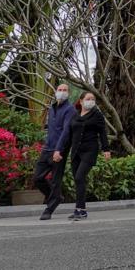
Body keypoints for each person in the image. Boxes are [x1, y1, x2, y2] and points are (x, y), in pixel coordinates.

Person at [54, 92, 111, 221]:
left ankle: (81, 210)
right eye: (88, 99)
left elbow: (102, 133)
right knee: (78, 180)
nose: (91, 101)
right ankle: (80, 209)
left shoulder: (97, 115)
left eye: (93, 99)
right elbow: (69, 135)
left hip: (90, 151)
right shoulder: (75, 115)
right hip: (76, 152)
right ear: (81, 101)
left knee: (80, 177)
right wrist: (60, 151)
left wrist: (106, 149)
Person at [34, 83, 76, 221]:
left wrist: (58, 150)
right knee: (37, 178)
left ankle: (49, 209)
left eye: (65, 90)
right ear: (56, 91)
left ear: (68, 93)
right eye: (60, 89)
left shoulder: (70, 110)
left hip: (59, 151)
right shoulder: (52, 109)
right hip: (47, 149)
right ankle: (55, 197)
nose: (62, 92)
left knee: (55, 181)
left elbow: (66, 131)